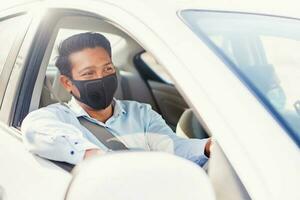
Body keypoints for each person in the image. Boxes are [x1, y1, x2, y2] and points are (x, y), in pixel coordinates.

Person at [21, 32, 211, 167]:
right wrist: (99, 158)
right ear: (67, 83)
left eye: (108, 69)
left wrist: (208, 146)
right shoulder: (56, 118)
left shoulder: (141, 113)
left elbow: (173, 147)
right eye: (88, 73)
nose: (101, 77)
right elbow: (33, 128)